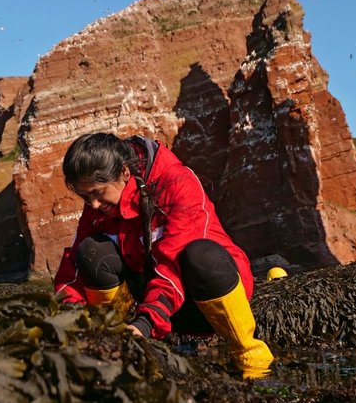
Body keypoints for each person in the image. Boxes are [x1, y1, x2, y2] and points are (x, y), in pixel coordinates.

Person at [53, 132, 273, 376]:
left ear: (124, 172)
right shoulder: (100, 205)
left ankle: (250, 356)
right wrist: (69, 318)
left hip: (202, 298)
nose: (93, 204)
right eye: (85, 196)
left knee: (202, 256)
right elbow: (73, 267)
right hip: (153, 303)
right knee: (91, 251)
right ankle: (112, 338)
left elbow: (172, 264)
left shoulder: (177, 182)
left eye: (97, 192)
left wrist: (146, 322)